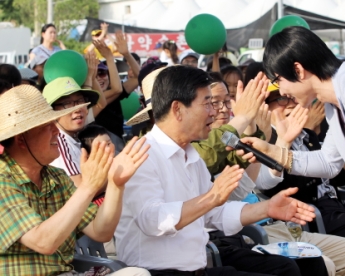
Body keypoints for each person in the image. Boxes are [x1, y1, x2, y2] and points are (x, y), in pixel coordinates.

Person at [236, 26, 345, 276]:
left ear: (298, 70)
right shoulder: (336, 104)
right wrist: (276, 153)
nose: (283, 92)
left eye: (279, 81)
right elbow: (329, 163)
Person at [115, 65, 316, 275]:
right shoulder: (140, 155)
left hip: (198, 269)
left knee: (288, 270)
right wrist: (212, 197)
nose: (214, 112)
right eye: (207, 104)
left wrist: (267, 208)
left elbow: (214, 213)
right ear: (177, 109)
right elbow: (152, 220)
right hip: (156, 272)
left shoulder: (190, 153)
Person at [194, 74, 345, 276]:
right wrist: (255, 131)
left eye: (227, 101)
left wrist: (280, 142)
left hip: (277, 223)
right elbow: (233, 198)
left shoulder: (234, 137)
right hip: (251, 231)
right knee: (318, 264)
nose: (223, 109)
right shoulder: (202, 148)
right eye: (214, 103)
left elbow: (261, 181)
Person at [0, 84, 150, 276]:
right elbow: (43, 242)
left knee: (137, 274)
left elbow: (101, 231)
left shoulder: (56, 177)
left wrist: (115, 183)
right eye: (47, 126)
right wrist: (88, 186)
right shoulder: (3, 179)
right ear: (22, 139)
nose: (56, 131)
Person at [256, 83, 345, 275]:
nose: (290, 104)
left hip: (338, 206)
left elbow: (333, 178)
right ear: (264, 107)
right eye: (280, 99)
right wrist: (284, 142)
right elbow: (275, 187)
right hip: (313, 215)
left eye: (292, 97)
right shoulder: (266, 141)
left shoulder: (307, 134)